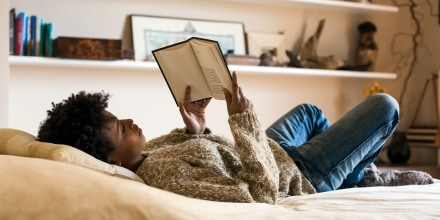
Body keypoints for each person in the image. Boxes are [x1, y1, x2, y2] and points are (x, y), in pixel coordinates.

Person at [37, 72, 433, 204]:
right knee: (385, 106)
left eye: (120, 115)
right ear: (113, 162)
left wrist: (199, 127)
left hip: (272, 150)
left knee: (310, 113)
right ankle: (360, 176)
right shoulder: (166, 179)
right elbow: (259, 193)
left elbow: (210, 152)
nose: (130, 120)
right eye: (121, 128)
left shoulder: (148, 152)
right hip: (297, 174)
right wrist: (242, 121)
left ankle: (355, 169)